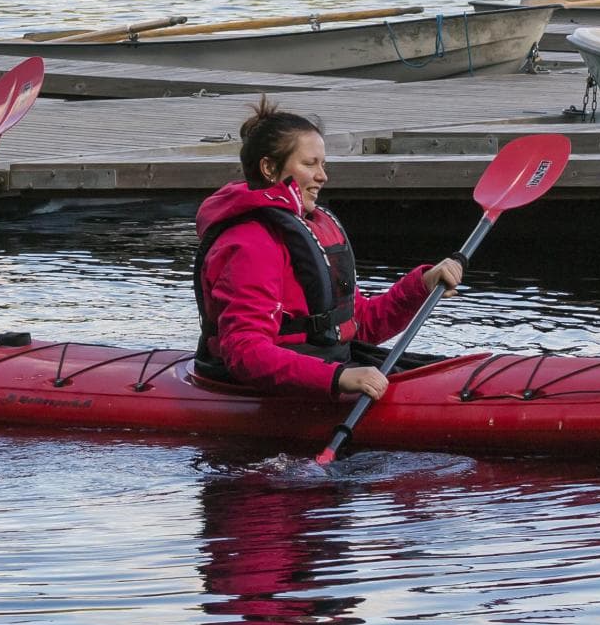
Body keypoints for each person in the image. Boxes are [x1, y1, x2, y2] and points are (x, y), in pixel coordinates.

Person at [193, 99, 463, 401]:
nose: (323, 175)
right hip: (269, 387)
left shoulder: (307, 226)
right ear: (269, 167)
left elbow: (358, 324)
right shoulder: (249, 242)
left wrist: (422, 286)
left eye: (323, 164)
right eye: (310, 164)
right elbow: (245, 352)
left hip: (329, 365)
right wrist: (337, 378)